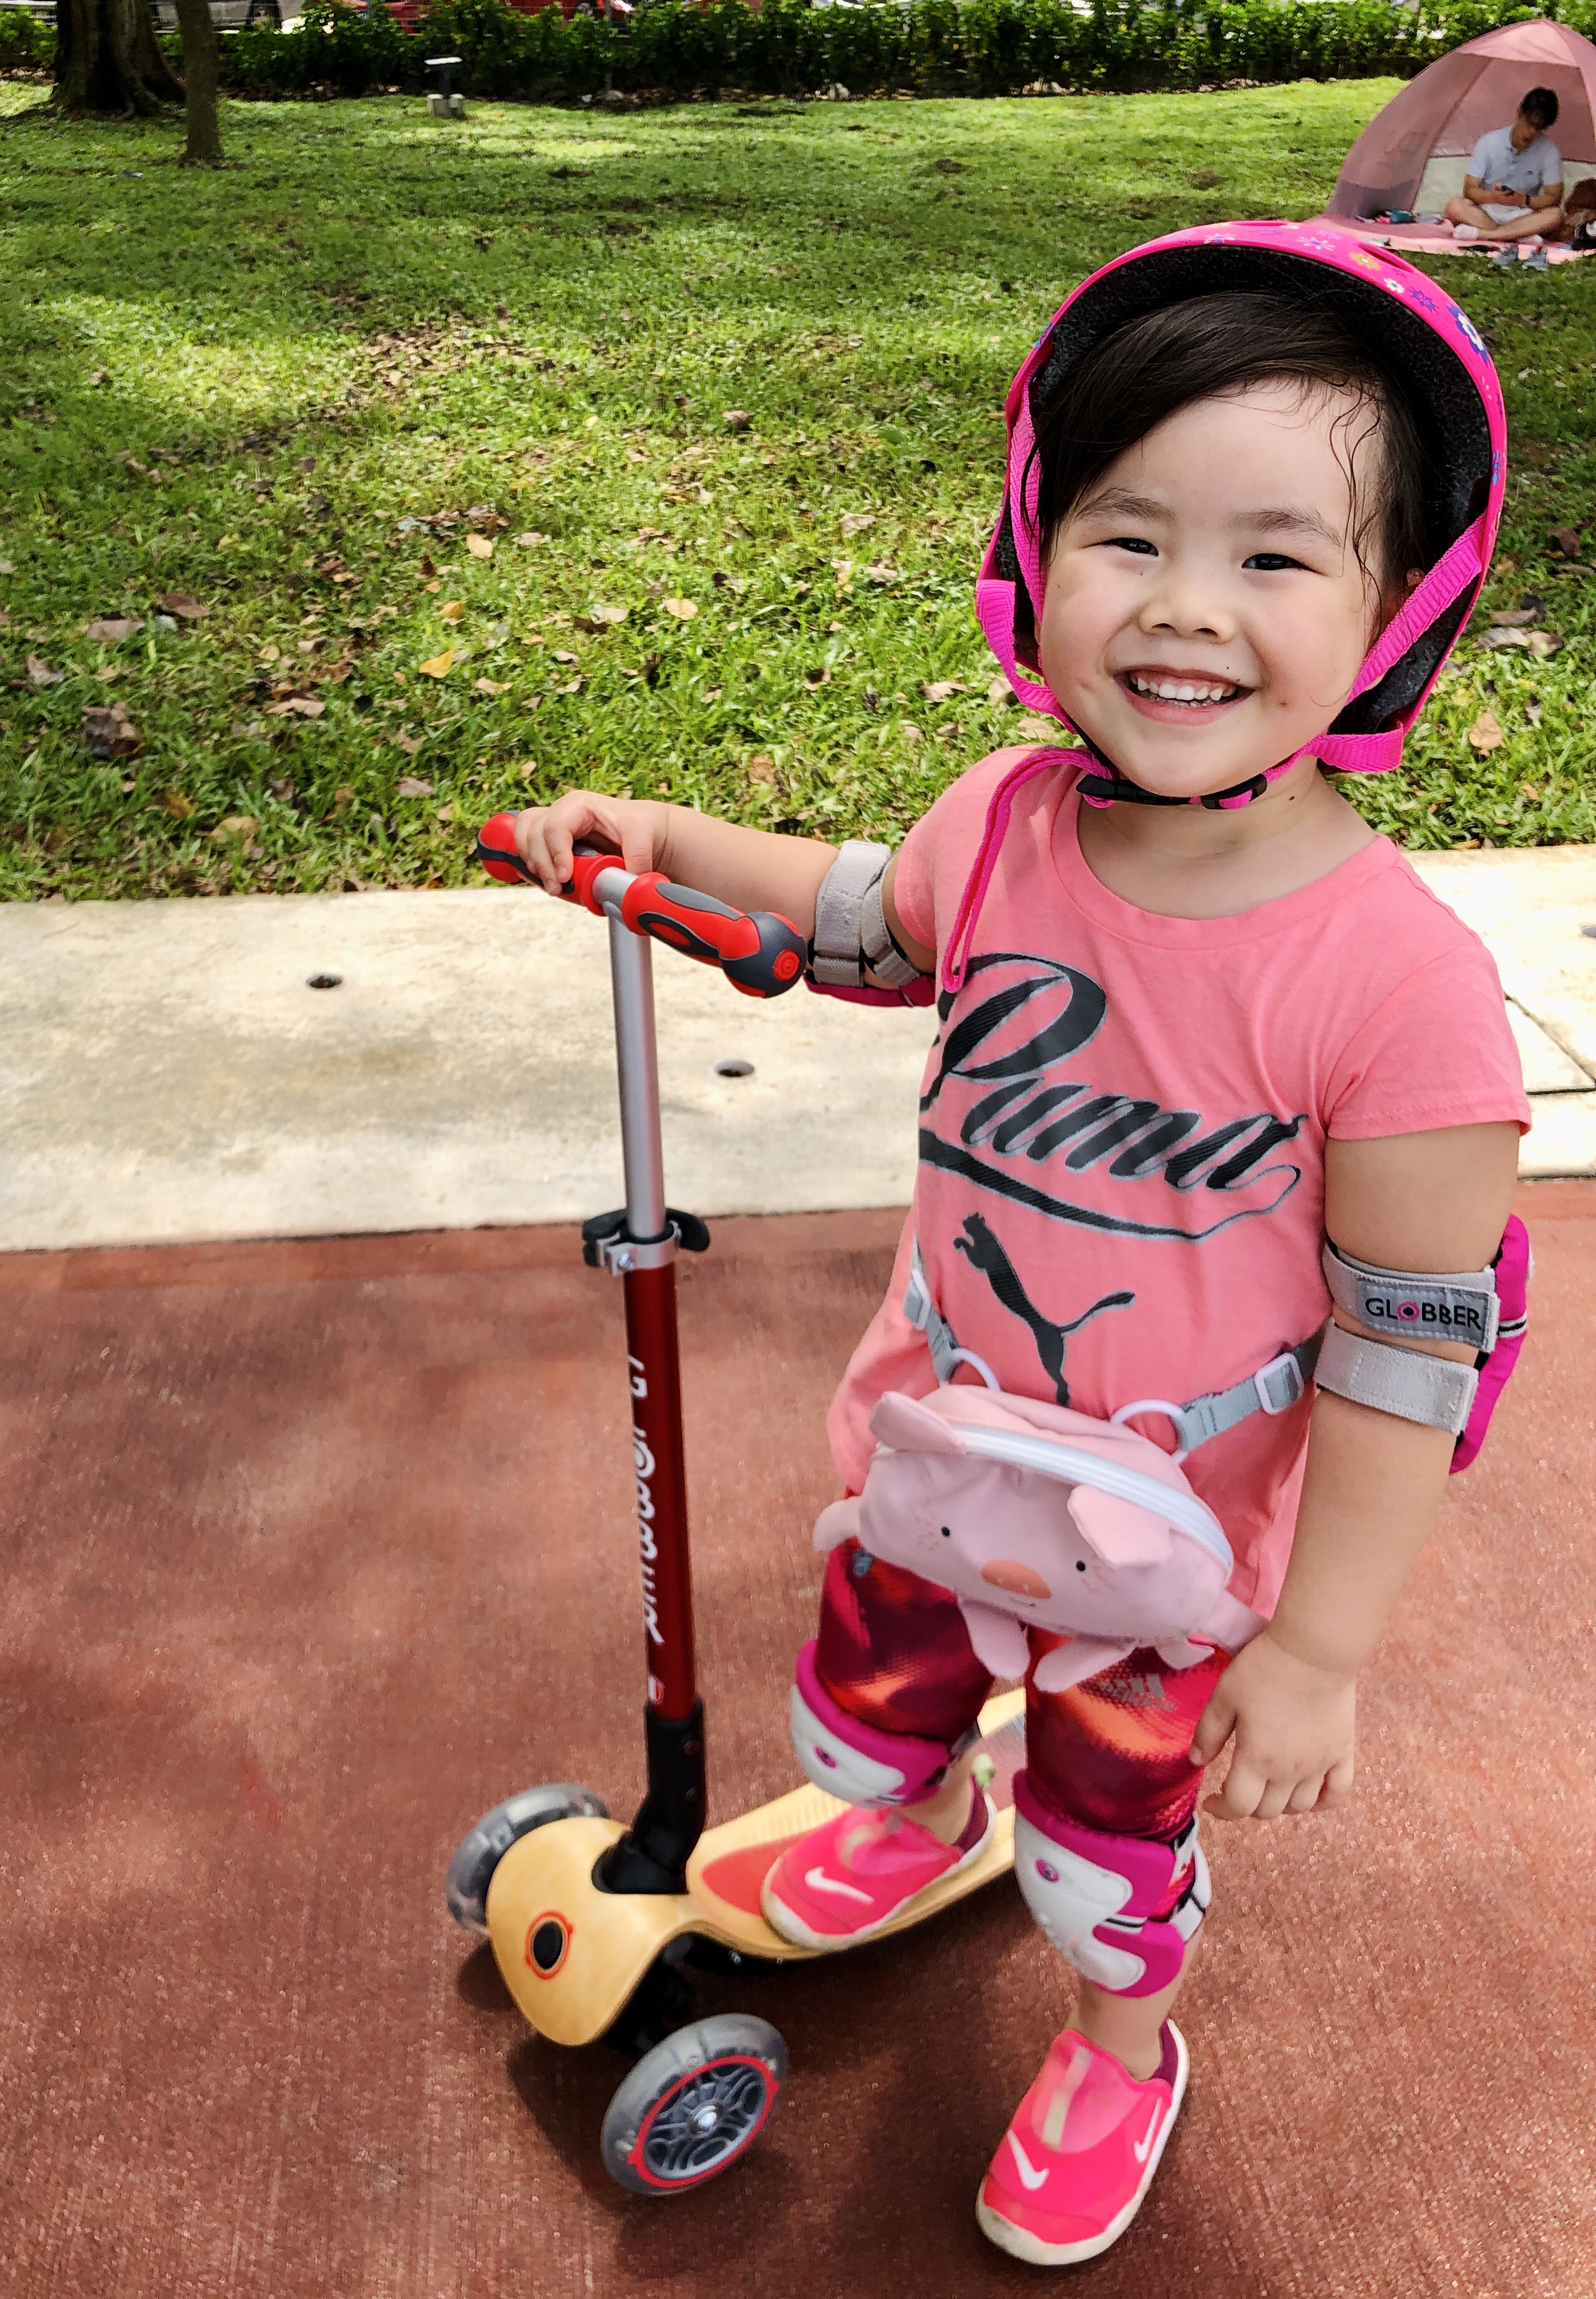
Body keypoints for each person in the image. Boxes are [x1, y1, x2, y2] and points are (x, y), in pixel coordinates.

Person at [507, 225, 1530, 2265]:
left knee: (1102, 1837)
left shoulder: (1393, 986)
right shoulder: (1003, 824)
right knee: (871, 1691)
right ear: (1028, 553)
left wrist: (1318, 1648)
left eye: (1272, 555)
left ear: (1395, 610)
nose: (1181, 606)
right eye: (1123, 534)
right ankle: (908, 1817)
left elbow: (1407, 1346)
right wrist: (660, 842)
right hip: (938, 1442)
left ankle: (1116, 2042)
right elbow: (852, 923)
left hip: (1165, 1544)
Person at [1446, 84, 1564, 260]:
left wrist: (1525, 200)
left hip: (1522, 214)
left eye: (1539, 129)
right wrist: (1493, 197)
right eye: (1530, 124)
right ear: (1520, 113)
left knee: (1556, 215)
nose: (1531, 133)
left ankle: (1484, 234)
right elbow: (1470, 190)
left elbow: (1554, 197)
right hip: (1488, 211)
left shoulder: (1549, 150)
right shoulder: (1489, 142)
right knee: (1454, 205)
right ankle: (1517, 236)